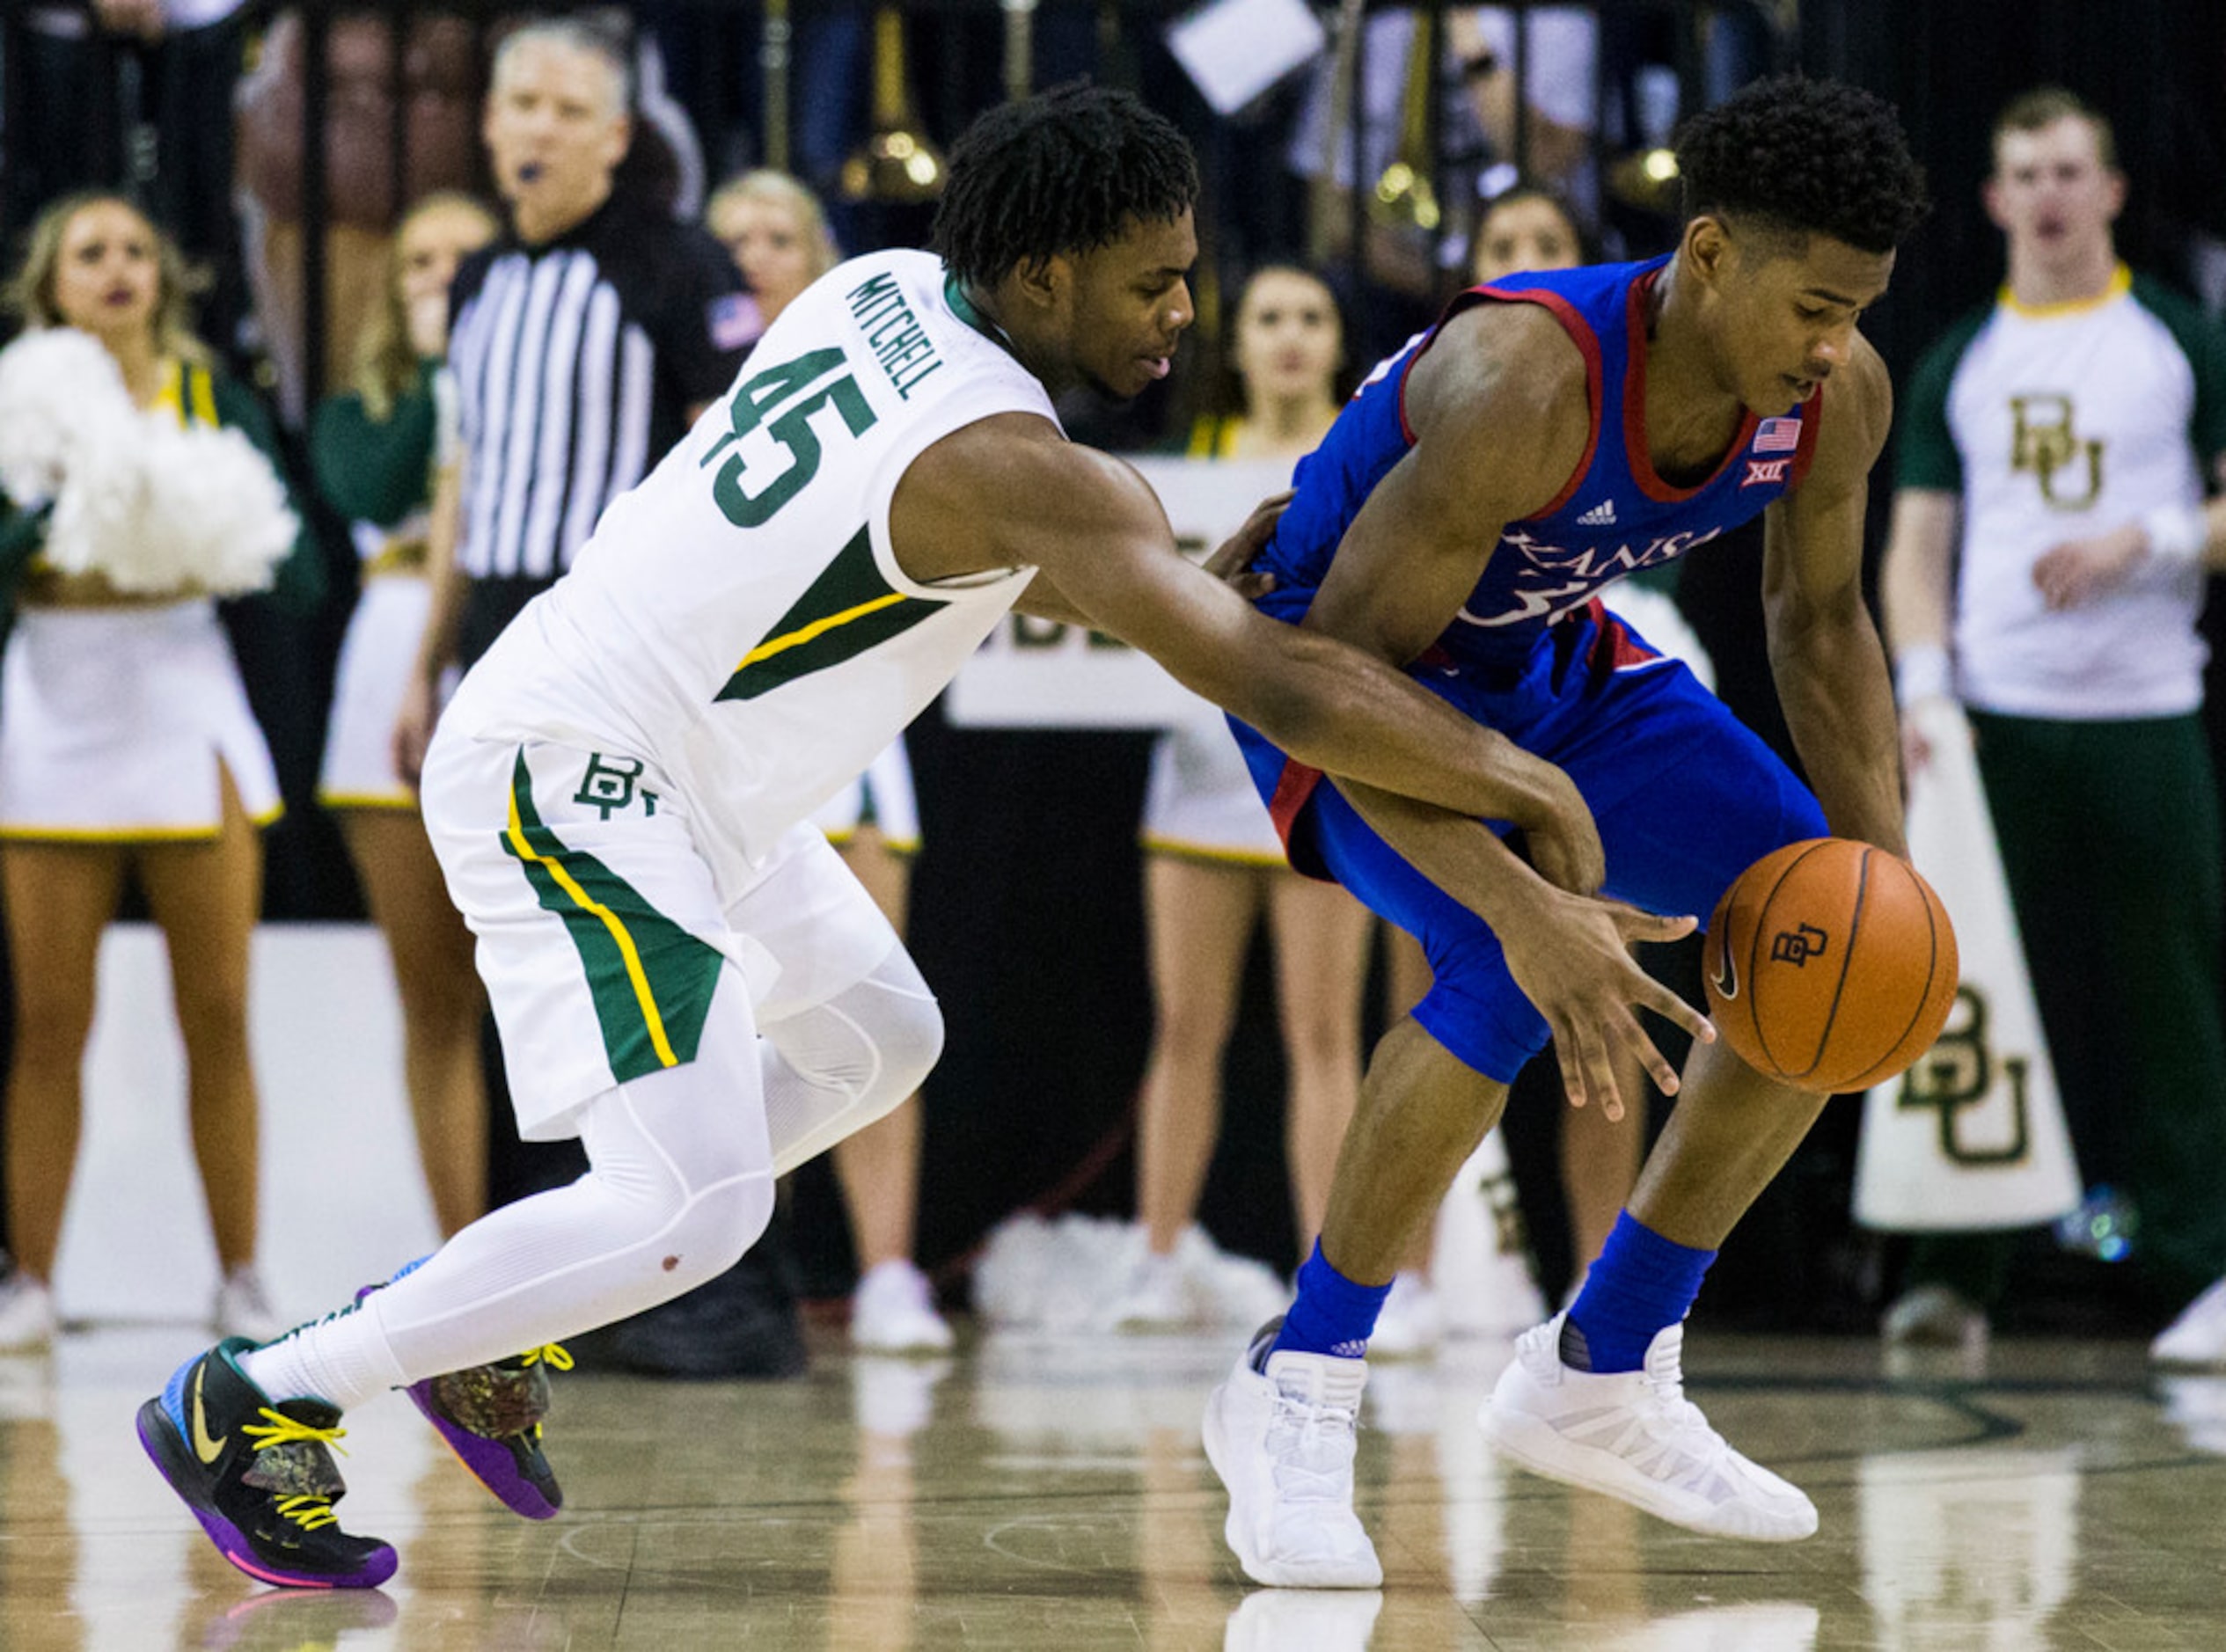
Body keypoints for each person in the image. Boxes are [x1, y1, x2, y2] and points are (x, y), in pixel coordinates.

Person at [135, 81, 1662, 1593]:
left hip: (689, 773)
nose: (1184, 310)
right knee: (696, 1205)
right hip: (581, 766)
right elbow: (1255, 675)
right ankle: (260, 1390)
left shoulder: (884, 288)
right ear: (1046, 275)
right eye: (1155, 279)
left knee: (877, 1034)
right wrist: (1530, 783)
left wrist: (1170, 574)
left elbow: (960, 554)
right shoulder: (1018, 464)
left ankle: (487, 1316)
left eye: (1191, 271)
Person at [1199, 73, 1929, 1587]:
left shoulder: (1833, 394)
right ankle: (1296, 1376)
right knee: (1498, 958)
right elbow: (1335, 681)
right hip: (1333, 678)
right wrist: (1529, 905)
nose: (1832, 346)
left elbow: (1821, 616)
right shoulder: (1523, 378)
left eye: (1858, 309)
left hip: (1551, 666)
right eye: (1812, 305)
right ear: (1711, 253)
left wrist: (1884, 883)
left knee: (1813, 932)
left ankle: (1603, 1358)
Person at [1877, 87, 2226, 1360]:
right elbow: (1913, 549)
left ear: (2112, 190)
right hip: (1996, 725)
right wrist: (1924, 689)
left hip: (2145, 711)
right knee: (1962, 996)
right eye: (2023, 173)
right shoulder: (1959, 357)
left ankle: (2197, 1273)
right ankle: (1953, 1271)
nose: (2047, 194)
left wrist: (2153, 538)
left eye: (2069, 170)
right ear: (1990, 198)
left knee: (2173, 998)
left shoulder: (2176, 339)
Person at [0, 194, 324, 1351]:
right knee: (48, 1021)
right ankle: (29, 1280)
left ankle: (240, 1273)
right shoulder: (17, 404)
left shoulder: (210, 399)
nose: (119, 268)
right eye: (90, 253)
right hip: (57, 711)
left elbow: (298, 576)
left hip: (186, 703)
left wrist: (211, 540)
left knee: (221, 1010)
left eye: (137, 248)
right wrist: (54, 537)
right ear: (51, 288)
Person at [706, 164, 949, 1353]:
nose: (754, 255)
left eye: (777, 235)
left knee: (864, 996)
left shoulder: (875, 394)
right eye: (734, 238)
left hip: (846, 718)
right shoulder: (686, 396)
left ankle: (891, 1264)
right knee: (738, 1014)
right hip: (719, 731)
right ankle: (748, 1267)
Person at [1107, 265, 1376, 1332]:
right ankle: (1158, 1259)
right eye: (1268, 317)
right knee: (1184, 1027)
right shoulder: (1185, 475)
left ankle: (1340, 1282)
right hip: (1198, 772)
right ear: (1236, 344)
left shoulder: (1362, 471)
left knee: (1325, 1034)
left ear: (1338, 343)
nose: (1291, 337)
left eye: (1313, 315)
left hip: (1321, 772)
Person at [311, 190, 501, 1239]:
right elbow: (374, 488)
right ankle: (457, 1256)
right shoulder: (361, 409)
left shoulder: (546, 381)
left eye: (459, 260)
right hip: (393, 664)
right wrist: (443, 371)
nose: (437, 278)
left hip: (519, 640)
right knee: (436, 1000)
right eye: (418, 262)